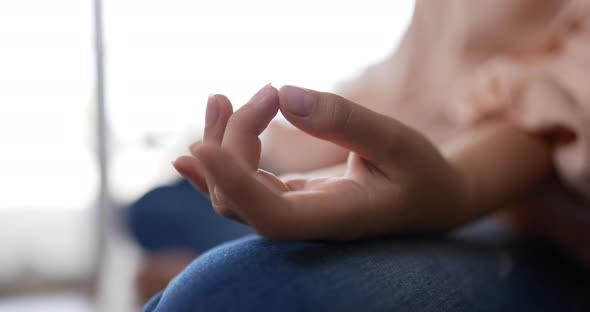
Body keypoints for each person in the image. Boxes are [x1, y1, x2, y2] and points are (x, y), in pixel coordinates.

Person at [140, 0, 590, 310]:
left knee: (231, 293)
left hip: (545, 222)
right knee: (154, 208)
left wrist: (456, 183)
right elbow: (411, 81)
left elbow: (572, 93)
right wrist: (281, 148)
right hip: (430, 170)